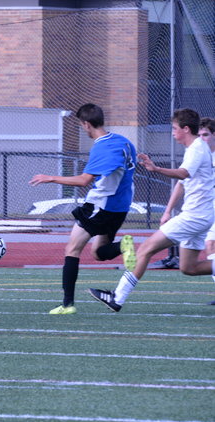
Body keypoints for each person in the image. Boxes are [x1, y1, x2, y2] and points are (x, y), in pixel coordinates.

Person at [90, 108, 214, 312]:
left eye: (174, 128)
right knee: (189, 268)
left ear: (185, 129)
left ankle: (117, 297)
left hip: (194, 217)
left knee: (146, 249)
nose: (172, 132)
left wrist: (156, 169)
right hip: (200, 216)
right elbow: (184, 182)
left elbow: (183, 174)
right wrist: (168, 210)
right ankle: (117, 298)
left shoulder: (196, 149)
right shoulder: (196, 148)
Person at [29, 103, 137, 314]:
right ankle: (123, 246)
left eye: (81, 125)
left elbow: (83, 180)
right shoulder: (124, 142)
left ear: (86, 124)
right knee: (99, 253)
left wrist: (51, 178)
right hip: (120, 207)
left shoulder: (102, 147)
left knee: (72, 249)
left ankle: (67, 305)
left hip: (101, 205)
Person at [198, 117, 215, 305]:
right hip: (209, 210)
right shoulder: (200, 156)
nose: (202, 139)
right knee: (210, 245)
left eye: (206, 135)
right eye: (199, 135)